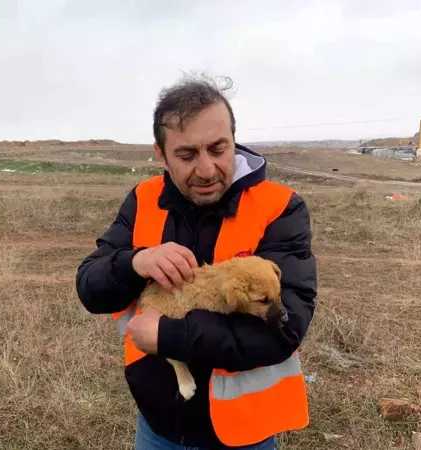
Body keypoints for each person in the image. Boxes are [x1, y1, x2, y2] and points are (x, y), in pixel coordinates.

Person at [76, 75, 317, 450]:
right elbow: (90, 288)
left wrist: (170, 337)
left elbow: (284, 329)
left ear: (234, 140)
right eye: (187, 155)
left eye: (218, 149)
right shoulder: (143, 199)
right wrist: (135, 262)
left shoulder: (279, 208)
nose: (206, 170)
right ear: (161, 153)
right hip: (159, 427)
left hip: (245, 433)